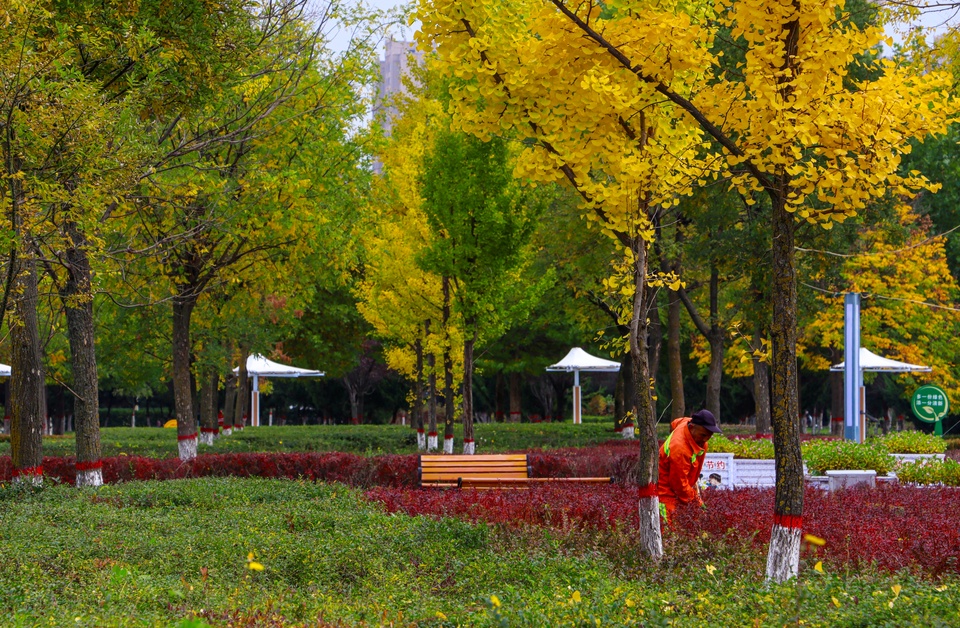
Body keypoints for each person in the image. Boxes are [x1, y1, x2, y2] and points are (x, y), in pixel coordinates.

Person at [657, 409, 722, 518]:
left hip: (681, 489)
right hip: (665, 493)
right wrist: (697, 503)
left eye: (709, 436)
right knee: (670, 530)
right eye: (702, 435)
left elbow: (675, 422)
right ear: (692, 428)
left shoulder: (686, 423)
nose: (705, 439)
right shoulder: (680, 449)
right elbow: (679, 485)